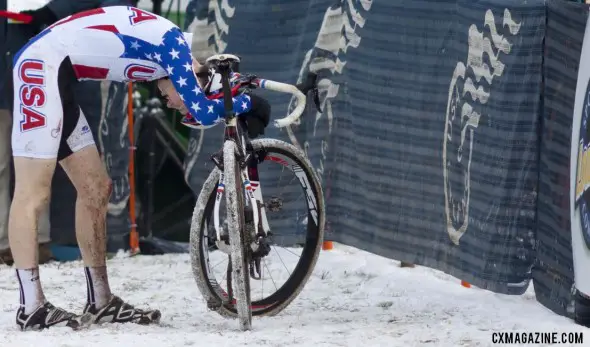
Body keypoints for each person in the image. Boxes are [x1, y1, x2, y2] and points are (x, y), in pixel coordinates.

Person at [10, 5, 268, 331]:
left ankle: (100, 300)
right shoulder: (174, 49)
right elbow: (202, 113)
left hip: (57, 71)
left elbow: (197, 110)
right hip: (42, 66)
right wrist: (249, 104)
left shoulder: (166, 56)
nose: (172, 103)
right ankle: (31, 307)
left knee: (95, 188)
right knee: (33, 192)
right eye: (183, 95)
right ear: (191, 75)